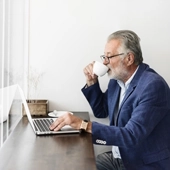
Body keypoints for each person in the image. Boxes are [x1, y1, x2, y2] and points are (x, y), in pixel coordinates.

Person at [50, 30, 170, 170]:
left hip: (141, 163)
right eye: (104, 57)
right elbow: (101, 111)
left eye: (109, 57)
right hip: (118, 158)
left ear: (129, 58)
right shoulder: (116, 82)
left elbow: (131, 136)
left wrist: (83, 125)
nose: (104, 62)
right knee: (73, 164)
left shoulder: (153, 86)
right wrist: (91, 82)